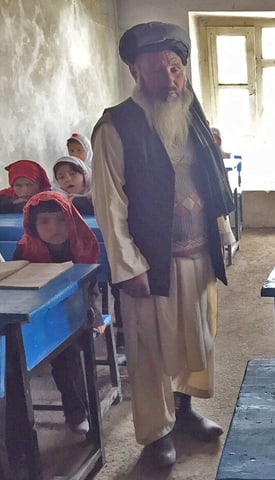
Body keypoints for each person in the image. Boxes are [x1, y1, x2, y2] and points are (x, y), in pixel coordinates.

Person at [91, 21, 235, 468]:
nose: (171, 80)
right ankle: (157, 434)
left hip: (198, 252)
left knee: (197, 339)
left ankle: (186, 412)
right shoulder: (116, 126)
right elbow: (108, 202)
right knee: (151, 349)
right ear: (135, 71)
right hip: (150, 262)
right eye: (158, 70)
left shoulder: (192, 112)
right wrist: (127, 264)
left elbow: (211, 179)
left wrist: (223, 233)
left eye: (176, 69)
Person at [14, 191, 103, 434]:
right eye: (44, 221)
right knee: (16, 359)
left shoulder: (81, 244)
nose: (54, 228)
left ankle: (77, 412)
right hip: (39, 318)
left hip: (76, 315)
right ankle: (19, 430)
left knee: (68, 354)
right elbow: (18, 287)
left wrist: (94, 315)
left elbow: (92, 287)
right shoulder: (25, 249)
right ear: (33, 225)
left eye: (60, 219)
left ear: (70, 219)